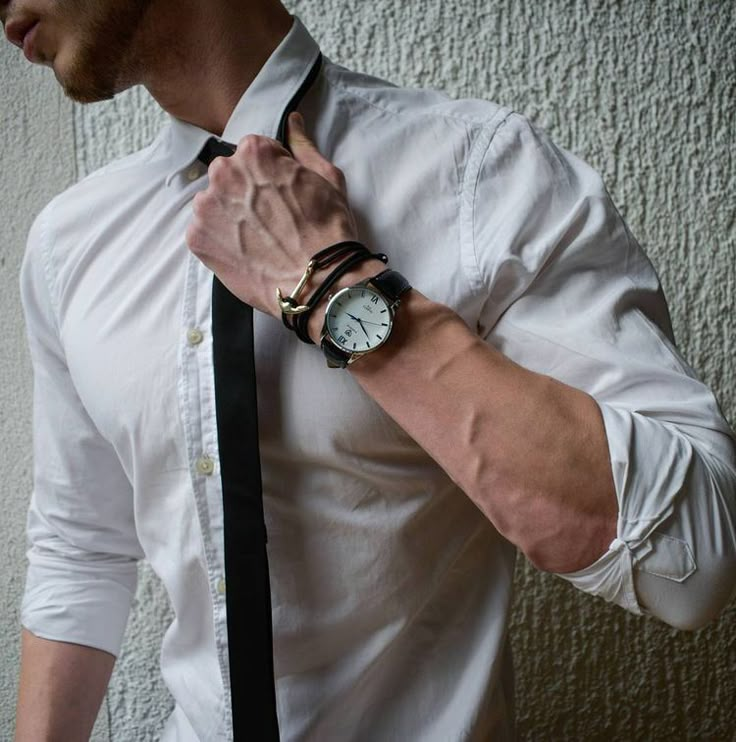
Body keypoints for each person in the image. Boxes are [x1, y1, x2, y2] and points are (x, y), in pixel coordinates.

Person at [5, 0, 736, 739]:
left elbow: (692, 564)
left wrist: (333, 286)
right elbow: (80, 547)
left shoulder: (478, 171)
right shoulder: (70, 244)